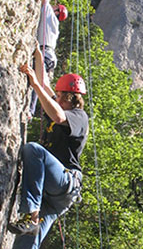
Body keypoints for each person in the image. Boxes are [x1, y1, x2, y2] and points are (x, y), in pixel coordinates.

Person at [9, 46, 89, 249]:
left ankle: (32, 215)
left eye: (62, 96)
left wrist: (35, 85)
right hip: (51, 196)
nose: (58, 99)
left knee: (33, 150)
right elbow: (45, 83)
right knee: (26, 244)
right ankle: (33, 220)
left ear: (73, 99)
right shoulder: (60, 104)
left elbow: (58, 116)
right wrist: (37, 54)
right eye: (58, 95)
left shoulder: (79, 116)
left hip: (66, 182)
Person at [29, 0, 68, 118]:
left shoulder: (51, 16)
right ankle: (31, 109)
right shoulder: (55, 25)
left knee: (38, 79)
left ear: (57, 11)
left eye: (55, 6)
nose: (53, 6)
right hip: (49, 55)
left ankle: (30, 109)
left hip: (45, 53)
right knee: (42, 82)